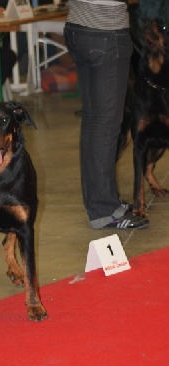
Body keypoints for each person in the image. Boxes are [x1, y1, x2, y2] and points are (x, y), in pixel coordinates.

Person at [64, 0, 149, 229]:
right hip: (106, 30)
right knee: (106, 125)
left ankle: (100, 203)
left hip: (78, 28)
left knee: (94, 121)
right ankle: (103, 210)